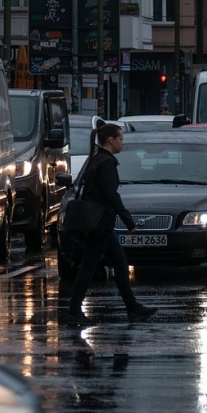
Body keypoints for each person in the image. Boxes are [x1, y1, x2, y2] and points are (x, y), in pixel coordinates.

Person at [64, 123, 158, 324]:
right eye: (121, 139)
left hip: (99, 223)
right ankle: (74, 311)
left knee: (119, 264)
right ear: (111, 140)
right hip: (100, 224)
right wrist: (128, 221)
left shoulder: (97, 159)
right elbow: (111, 196)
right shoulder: (105, 163)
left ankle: (133, 308)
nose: (122, 143)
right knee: (89, 267)